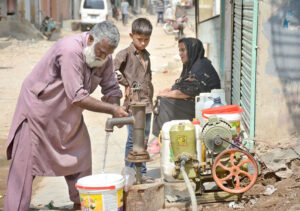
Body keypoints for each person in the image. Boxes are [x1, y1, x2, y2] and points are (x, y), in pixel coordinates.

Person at [4, 21, 129, 211]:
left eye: (107, 54)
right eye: (101, 52)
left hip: (68, 117)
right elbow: (76, 95)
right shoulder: (70, 50)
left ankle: (82, 204)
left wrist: (116, 107)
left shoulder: (105, 58)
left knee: (81, 157)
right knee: (24, 171)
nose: (103, 57)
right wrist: (111, 110)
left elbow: (111, 87)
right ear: (91, 39)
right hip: (38, 114)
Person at [152, 38, 221, 137]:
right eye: (179, 50)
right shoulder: (191, 65)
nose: (180, 54)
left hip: (206, 108)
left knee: (163, 102)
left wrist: (165, 94)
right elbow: (182, 84)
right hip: (196, 103)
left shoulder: (201, 66)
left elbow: (189, 91)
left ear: (192, 50)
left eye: (183, 50)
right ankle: (163, 136)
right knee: (163, 99)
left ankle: (164, 137)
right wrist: (167, 90)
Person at [114, 18, 154, 183]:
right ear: (132, 35)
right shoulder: (125, 54)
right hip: (134, 105)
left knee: (143, 140)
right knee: (133, 141)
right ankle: (129, 175)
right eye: (140, 39)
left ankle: (142, 174)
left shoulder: (146, 55)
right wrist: (126, 83)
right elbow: (112, 71)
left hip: (147, 105)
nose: (143, 43)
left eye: (146, 39)